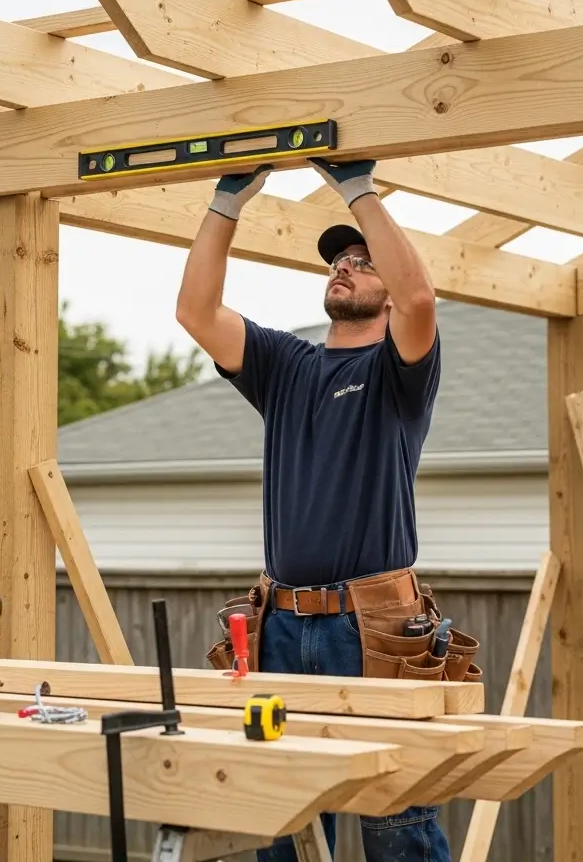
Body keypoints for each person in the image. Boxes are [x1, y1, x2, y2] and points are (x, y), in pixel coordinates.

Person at [175, 157, 455, 862]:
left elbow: (421, 300)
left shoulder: (397, 373)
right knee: (284, 823)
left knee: (397, 826)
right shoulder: (287, 367)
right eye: (338, 262)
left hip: (376, 627)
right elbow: (196, 313)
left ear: (388, 294)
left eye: (364, 263)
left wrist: (357, 189)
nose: (345, 267)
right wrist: (227, 200)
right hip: (279, 625)